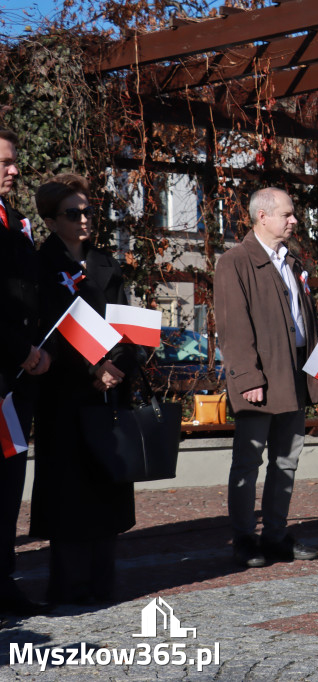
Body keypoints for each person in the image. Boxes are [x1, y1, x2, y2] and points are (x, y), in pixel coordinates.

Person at [31, 174, 135, 604]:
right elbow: (43, 329)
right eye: (73, 213)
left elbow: (128, 325)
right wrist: (91, 366)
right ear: (52, 220)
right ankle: (69, 587)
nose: (85, 219)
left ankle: (102, 584)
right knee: (68, 491)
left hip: (108, 393)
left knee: (106, 487)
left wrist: (117, 366)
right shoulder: (40, 266)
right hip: (65, 396)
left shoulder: (107, 264)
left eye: (89, 210)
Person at [214, 187, 318, 569]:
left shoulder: (290, 261)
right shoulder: (235, 262)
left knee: (287, 459)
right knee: (248, 461)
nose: (294, 219)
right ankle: (244, 538)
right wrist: (248, 376)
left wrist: (317, 367)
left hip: (294, 372)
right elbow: (233, 326)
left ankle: (276, 535)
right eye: (287, 214)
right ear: (262, 217)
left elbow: (304, 320)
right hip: (260, 377)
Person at [0, 130, 49, 616]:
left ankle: (4, 579)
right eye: (5, 162)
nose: (14, 169)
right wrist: (20, 349)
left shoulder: (15, 222)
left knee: (9, 480)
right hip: (7, 367)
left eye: (14, 161)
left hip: (15, 381)